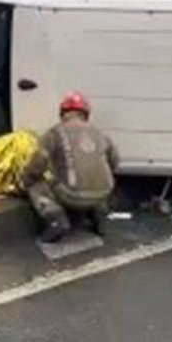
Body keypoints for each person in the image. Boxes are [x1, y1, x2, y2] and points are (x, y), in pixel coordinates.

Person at [21, 92, 119, 242]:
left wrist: (26, 179)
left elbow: (38, 163)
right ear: (85, 114)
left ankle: (56, 220)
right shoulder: (100, 133)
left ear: (62, 113)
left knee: (36, 184)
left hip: (72, 195)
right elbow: (115, 161)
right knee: (97, 180)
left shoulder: (54, 133)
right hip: (103, 193)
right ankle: (100, 217)